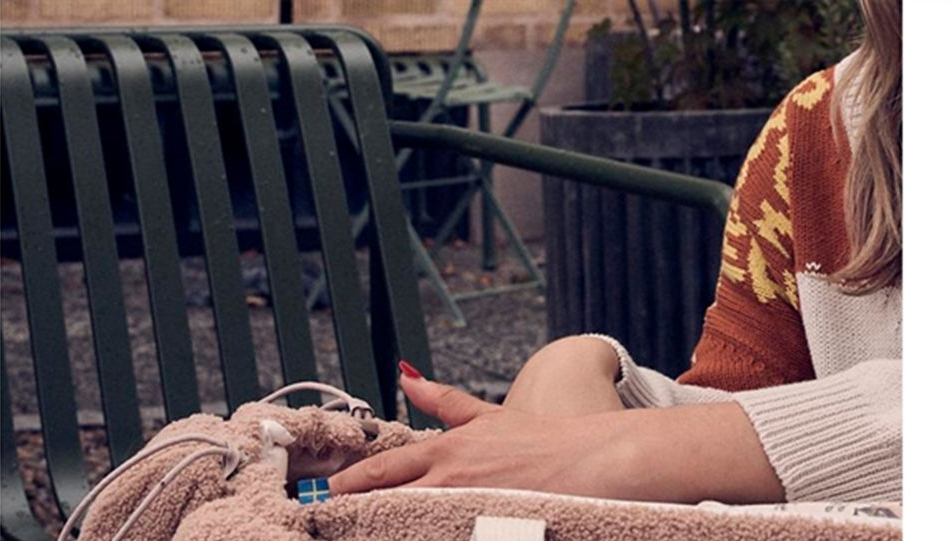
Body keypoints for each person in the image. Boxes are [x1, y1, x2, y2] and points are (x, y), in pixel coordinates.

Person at [331, 0, 901, 505]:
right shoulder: (813, 132)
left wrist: (617, 452)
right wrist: (585, 391)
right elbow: (745, 413)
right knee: (565, 380)